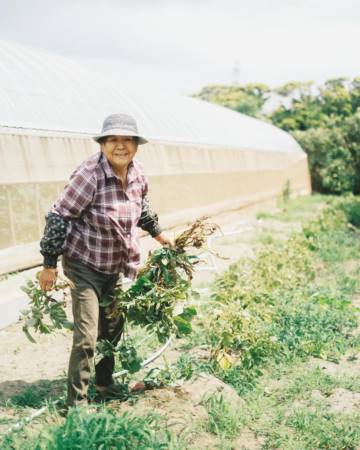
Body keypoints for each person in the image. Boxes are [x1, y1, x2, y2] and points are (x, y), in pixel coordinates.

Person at [38, 113, 171, 407]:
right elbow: (59, 215)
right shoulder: (90, 174)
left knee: (112, 331)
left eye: (127, 140)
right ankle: (77, 405)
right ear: (102, 144)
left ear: (136, 145)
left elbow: (142, 207)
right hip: (84, 264)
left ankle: (103, 384)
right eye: (113, 140)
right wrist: (48, 265)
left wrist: (161, 236)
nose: (120, 146)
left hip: (117, 265)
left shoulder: (138, 174)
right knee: (87, 335)